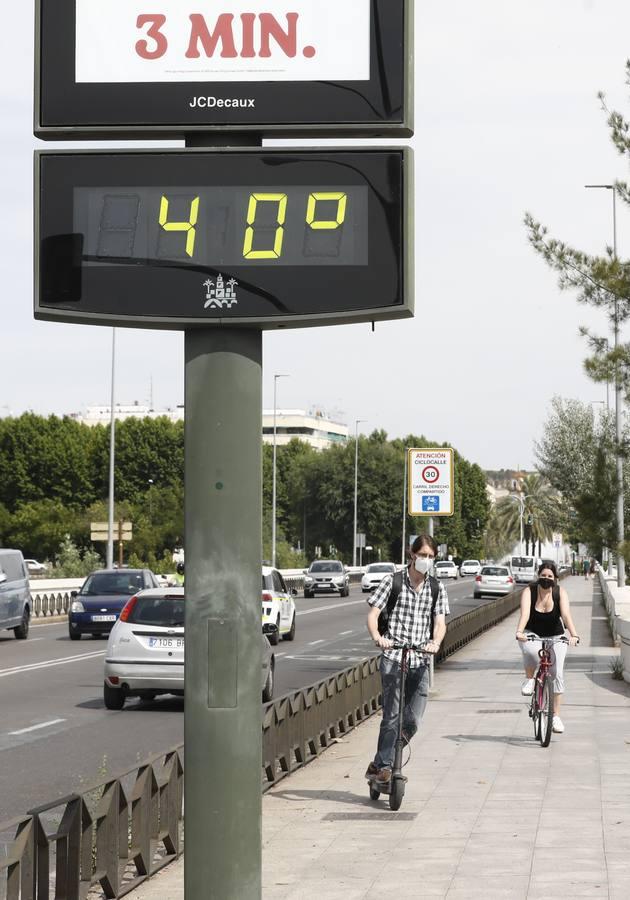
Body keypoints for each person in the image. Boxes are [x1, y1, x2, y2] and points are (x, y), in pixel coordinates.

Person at [365, 534, 449, 785]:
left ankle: (381, 760)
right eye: (422, 555)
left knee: (413, 719)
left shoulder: (437, 588)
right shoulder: (393, 582)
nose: (426, 560)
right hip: (394, 656)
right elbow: (373, 614)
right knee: (392, 716)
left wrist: (435, 642)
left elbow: (440, 623)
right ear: (412, 554)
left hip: (419, 660)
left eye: (431, 556)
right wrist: (378, 637)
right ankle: (384, 767)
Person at [515, 560, 579, 734]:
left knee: (557, 672)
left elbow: (566, 615)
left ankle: (556, 716)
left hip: (556, 635)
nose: (546, 578)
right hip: (532, 633)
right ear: (538, 576)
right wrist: (519, 631)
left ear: (555, 578)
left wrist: (574, 635)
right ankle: (530, 679)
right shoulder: (529, 591)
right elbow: (525, 614)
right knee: (530, 651)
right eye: (543, 575)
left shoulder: (560, 593)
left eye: (550, 576)